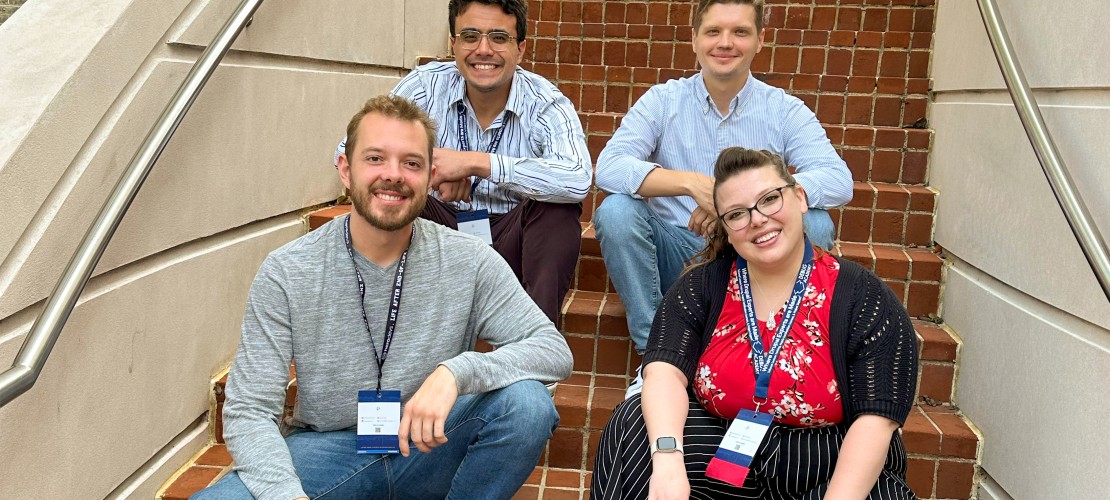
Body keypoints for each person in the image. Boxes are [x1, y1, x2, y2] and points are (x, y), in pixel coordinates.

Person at [194, 95, 572, 500]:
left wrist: (456, 372)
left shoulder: (470, 259)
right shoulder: (289, 269)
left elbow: (552, 350)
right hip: (329, 450)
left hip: (429, 446)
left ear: (429, 177)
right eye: (375, 158)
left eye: (411, 163)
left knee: (526, 404)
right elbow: (249, 409)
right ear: (345, 170)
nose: (393, 175)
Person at [591, 148, 917, 499]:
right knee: (634, 424)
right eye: (737, 214)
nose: (758, 219)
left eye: (769, 199)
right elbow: (663, 371)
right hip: (725, 447)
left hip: (823, 460)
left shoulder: (863, 297)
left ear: (800, 198)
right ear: (727, 230)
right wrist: (668, 461)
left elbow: (876, 420)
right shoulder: (703, 287)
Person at [592, 0, 854, 365]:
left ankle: (775, 347)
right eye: (714, 31)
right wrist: (692, 184)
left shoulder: (784, 109)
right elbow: (609, 167)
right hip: (680, 252)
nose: (725, 42)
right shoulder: (663, 101)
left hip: (753, 251)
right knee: (617, 212)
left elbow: (838, 179)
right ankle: (657, 356)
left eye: (740, 32)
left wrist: (740, 205)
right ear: (695, 39)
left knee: (814, 221)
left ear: (760, 41)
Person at [333, 0, 592, 324]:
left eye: (499, 38)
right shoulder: (426, 86)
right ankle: (377, 325)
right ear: (454, 44)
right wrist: (430, 168)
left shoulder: (543, 102)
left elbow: (578, 177)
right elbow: (347, 153)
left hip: (513, 238)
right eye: (470, 36)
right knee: (385, 188)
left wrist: (476, 163)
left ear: (520, 48)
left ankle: (533, 350)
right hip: (436, 231)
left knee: (558, 207)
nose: (483, 50)